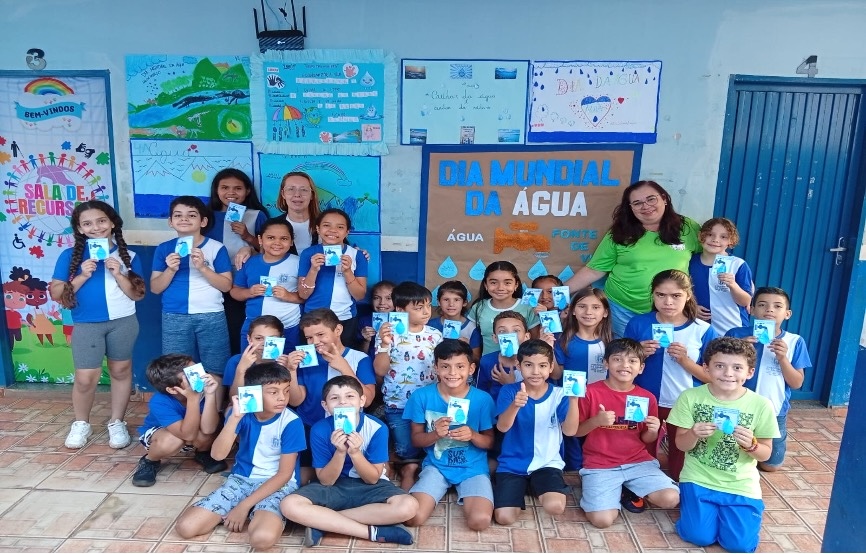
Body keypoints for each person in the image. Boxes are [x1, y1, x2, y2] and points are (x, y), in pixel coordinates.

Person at [174, 362, 305, 550]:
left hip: (277, 484)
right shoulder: (242, 414)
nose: (282, 398)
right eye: (273, 392)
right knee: (186, 527)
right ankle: (250, 510)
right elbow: (217, 455)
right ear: (253, 393)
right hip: (242, 479)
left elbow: (284, 475)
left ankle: (255, 511)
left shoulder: (292, 422)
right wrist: (234, 419)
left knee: (262, 539)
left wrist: (243, 506)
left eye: (286, 390)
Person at [667, 337, 779, 552]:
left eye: (737, 367)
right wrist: (693, 433)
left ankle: (731, 517)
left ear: (750, 372)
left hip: (740, 484)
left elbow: (765, 455)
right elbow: (681, 445)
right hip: (698, 478)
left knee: (739, 546)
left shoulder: (762, 405)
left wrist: (752, 445)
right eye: (719, 366)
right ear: (706, 368)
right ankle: (700, 517)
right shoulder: (690, 397)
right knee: (698, 536)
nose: (728, 373)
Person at [50, 200, 146, 449]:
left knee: (121, 371)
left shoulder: (130, 256)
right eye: (87, 223)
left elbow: (137, 295)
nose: (96, 227)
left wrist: (119, 273)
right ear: (79, 229)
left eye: (101, 221)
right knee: (85, 378)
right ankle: (81, 422)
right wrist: (82, 275)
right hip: (87, 324)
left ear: (112, 222)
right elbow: (57, 294)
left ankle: (117, 421)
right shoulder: (69, 256)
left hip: (123, 322)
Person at [280, 376, 418, 547]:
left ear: (362, 401)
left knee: (408, 506)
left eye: (350, 396)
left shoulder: (377, 428)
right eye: (334, 398)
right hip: (333, 487)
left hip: (369, 487)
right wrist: (340, 452)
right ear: (325, 405)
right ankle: (373, 532)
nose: (343, 402)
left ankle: (322, 523)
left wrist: (355, 453)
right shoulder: (319, 429)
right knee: (289, 505)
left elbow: (372, 479)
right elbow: (326, 481)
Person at [564, 180, 702, 337]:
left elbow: (707, 260)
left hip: (670, 309)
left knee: (660, 350)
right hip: (622, 310)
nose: (645, 206)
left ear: (664, 199)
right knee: (625, 351)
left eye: (651, 199)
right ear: (630, 208)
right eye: (637, 203)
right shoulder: (620, 232)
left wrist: (696, 302)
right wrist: (558, 292)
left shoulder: (687, 228)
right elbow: (594, 270)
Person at [624, 269, 717, 483]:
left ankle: (678, 488)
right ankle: (641, 486)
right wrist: (637, 353)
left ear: (688, 295)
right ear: (653, 295)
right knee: (639, 450)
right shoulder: (639, 324)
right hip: (644, 399)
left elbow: (712, 377)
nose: (668, 302)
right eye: (661, 295)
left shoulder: (703, 330)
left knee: (681, 462)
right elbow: (619, 367)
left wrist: (685, 360)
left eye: (676, 296)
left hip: (685, 402)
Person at [576, 338, 680, 528]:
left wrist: (653, 430)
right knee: (602, 520)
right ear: (606, 363)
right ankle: (611, 488)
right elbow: (576, 431)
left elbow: (646, 438)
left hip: (638, 462)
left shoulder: (647, 397)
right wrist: (596, 421)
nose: (625, 365)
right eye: (617, 359)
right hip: (600, 464)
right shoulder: (590, 392)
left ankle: (627, 488)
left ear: (641, 368)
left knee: (671, 498)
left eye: (632, 361)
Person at [404, 340, 496, 531]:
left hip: (473, 468)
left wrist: (473, 435)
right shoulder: (421, 396)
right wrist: (435, 434)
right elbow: (416, 439)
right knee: (412, 517)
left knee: (479, 521)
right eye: (445, 366)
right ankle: (409, 472)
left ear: (471, 369)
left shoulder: (482, 399)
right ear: (436, 368)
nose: (452, 373)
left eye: (460, 366)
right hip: (437, 466)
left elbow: (490, 442)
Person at [150, 196, 233, 407]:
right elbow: (155, 288)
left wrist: (203, 267)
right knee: (175, 368)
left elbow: (226, 286)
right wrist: (170, 269)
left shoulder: (216, 248)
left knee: (215, 365)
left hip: (211, 314)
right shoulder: (164, 249)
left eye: (191, 215)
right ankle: (187, 414)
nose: (184, 219)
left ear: (203, 221)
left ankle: (213, 414)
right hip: (174, 315)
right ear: (170, 222)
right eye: (178, 215)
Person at [493, 340, 580, 525]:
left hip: (547, 463)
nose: (535, 371)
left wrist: (574, 401)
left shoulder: (560, 394)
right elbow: (502, 427)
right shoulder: (509, 391)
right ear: (518, 366)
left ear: (551, 368)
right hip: (512, 464)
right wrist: (515, 405)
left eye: (542, 366)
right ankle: (525, 485)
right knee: (504, 518)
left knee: (555, 506)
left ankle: (533, 484)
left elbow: (570, 431)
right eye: (528, 365)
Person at [725, 287, 811, 472]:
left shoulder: (794, 341)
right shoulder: (736, 334)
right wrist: (738, 350)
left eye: (777, 306)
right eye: (762, 305)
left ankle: (758, 452)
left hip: (774, 410)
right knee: (729, 454)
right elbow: (719, 370)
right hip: (737, 407)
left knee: (770, 466)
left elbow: (797, 383)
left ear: (787, 314)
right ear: (752, 309)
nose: (769, 310)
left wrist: (783, 358)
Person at [288, 308, 377, 483]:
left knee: (344, 475)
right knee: (301, 478)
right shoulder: (306, 359)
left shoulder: (359, 358)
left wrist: (343, 366)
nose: (315, 342)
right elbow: (296, 400)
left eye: (321, 334)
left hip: (348, 431)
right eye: (309, 337)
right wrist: (291, 370)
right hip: (309, 427)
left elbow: (367, 400)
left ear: (338, 330)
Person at [373, 281, 443, 490]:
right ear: (400, 310)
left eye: (428, 305)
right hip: (399, 403)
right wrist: (384, 344)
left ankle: (415, 469)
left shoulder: (435, 334)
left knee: (430, 443)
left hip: (429, 403)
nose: (426, 311)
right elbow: (380, 370)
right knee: (407, 450)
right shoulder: (389, 335)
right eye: (419, 307)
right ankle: (404, 464)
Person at [132, 354, 226, 487]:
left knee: (208, 433)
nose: (201, 377)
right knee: (173, 440)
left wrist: (210, 394)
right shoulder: (159, 401)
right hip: (163, 433)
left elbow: (209, 429)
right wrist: (193, 399)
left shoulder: (200, 390)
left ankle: (202, 453)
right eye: (191, 375)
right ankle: (150, 460)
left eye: (198, 370)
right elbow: (187, 435)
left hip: (190, 430)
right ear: (172, 389)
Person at [205, 168, 269, 355]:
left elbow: (268, 249)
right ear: (216, 190)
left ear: (247, 191)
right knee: (215, 335)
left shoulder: (256, 215)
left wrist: (247, 236)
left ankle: (242, 364)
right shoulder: (206, 217)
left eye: (238, 188)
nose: (231, 192)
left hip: (246, 284)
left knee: (240, 329)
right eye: (224, 187)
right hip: (213, 283)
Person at [554, 286, 612, 471]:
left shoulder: (611, 343)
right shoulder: (563, 341)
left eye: (596, 307)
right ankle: (573, 474)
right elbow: (556, 375)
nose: (588, 312)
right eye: (582, 306)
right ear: (573, 311)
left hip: (600, 403)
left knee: (598, 441)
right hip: (571, 403)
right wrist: (549, 349)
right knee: (573, 445)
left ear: (605, 313)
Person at [297, 208, 368, 348]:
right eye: (326, 225)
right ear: (318, 229)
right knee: (312, 358)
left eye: (340, 227)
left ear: (347, 232)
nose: (333, 230)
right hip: (312, 319)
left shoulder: (357, 255)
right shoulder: (308, 254)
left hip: (345, 319)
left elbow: (360, 296)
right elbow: (303, 294)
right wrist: (313, 270)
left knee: (342, 357)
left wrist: (347, 271)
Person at [230, 218, 302, 350]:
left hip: (289, 327)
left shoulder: (299, 262)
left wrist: (288, 296)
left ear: (291, 241)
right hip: (254, 329)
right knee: (250, 362)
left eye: (284, 238)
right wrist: (249, 292)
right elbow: (235, 291)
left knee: (286, 362)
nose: (277, 243)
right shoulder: (250, 262)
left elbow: (308, 295)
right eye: (270, 237)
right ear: (260, 239)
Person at [688, 217, 753, 335]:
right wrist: (691, 307)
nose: (715, 240)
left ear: (731, 241)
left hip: (731, 329)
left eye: (723, 237)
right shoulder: (689, 262)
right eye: (710, 234)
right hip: (698, 329)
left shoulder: (738, 264)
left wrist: (733, 285)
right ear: (700, 236)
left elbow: (745, 301)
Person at [468, 261, 540, 356]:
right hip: (488, 362)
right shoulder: (479, 307)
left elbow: (534, 340)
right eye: (493, 282)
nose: (500, 288)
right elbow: (472, 337)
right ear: (485, 285)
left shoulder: (527, 307)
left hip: (520, 362)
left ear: (516, 285)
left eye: (507, 283)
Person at [224, 315, 290, 398]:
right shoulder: (236, 361)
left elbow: (293, 401)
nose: (265, 344)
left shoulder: (287, 363)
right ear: (249, 339)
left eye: (272, 339)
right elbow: (234, 398)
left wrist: (290, 370)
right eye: (258, 338)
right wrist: (241, 370)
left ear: (281, 339)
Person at [475, 311, 531, 403]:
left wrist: (510, 384)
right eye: (502, 331)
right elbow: (481, 393)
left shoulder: (532, 362)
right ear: (495, 338)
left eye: (516, 331)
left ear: (526, 336)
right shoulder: (487, 361)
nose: (509, 336)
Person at [427, 280, 482, 362]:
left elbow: (477, 359)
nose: (451, 304)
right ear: (438, 302)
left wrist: (467, 348)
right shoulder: (430, 325)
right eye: (446, 300)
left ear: (464, 302)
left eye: (456, 300)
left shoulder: (472, 328)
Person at [358, 280, 396, 359]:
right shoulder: (365, 321)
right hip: (373, 361)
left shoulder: (403, 320)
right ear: (371, 300)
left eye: (388, 298)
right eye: (377, 298)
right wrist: (366, 340)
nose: (382, 302)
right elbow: (361, 355)